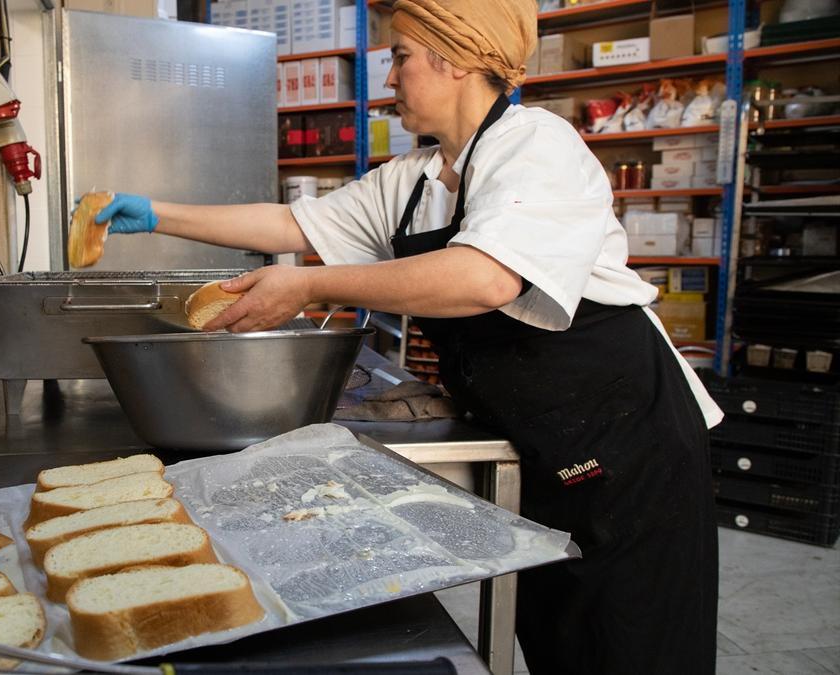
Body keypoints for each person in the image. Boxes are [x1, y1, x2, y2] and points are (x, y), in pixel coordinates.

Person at [83, 0, 722, 672]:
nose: (389, 76)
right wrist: (156, 213)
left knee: (634, 643)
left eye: (400, 55)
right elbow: (290, 227)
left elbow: (485, 278)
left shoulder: (537, 147)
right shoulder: (413, 180)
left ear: (457, 59)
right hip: (542, 440)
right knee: (560, 638)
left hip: (630, 449)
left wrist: (308, 285)